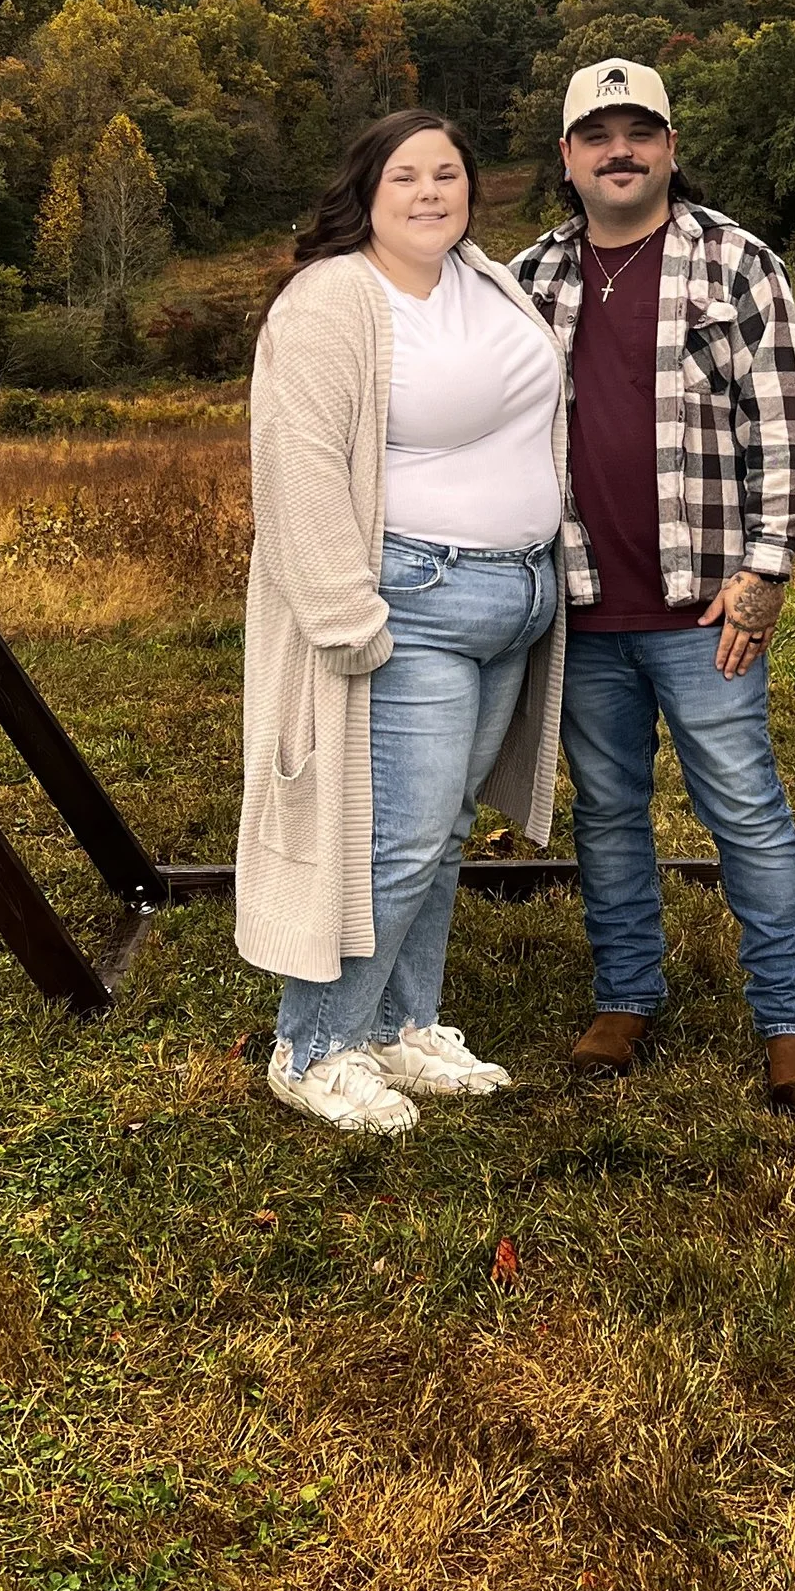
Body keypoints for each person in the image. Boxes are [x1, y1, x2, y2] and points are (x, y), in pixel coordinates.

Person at [512, 59, 795, 1114]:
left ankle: (791, 1021)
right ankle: (624, 996)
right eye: (597, 133)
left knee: (744, 810)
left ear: (670, 147)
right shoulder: (529, 280)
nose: (620, 150)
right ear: (567, 156)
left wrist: (767, 569)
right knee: (608, 812)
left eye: (639, 130)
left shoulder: (735, 264)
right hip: (581, 602)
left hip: (705, 608)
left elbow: (783, 428)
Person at [237, 108, 566, 1137]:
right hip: (408, 601)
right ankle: (314, 1045)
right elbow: (293, 463)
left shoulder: (485, 279)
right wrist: (346, 617)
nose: (431, 192)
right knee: (400, 834)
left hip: (513, 597)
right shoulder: (335, 299)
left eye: (448, 174)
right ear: (366, 196)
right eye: (405, 178)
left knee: (447, 829)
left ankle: (401, 1025)